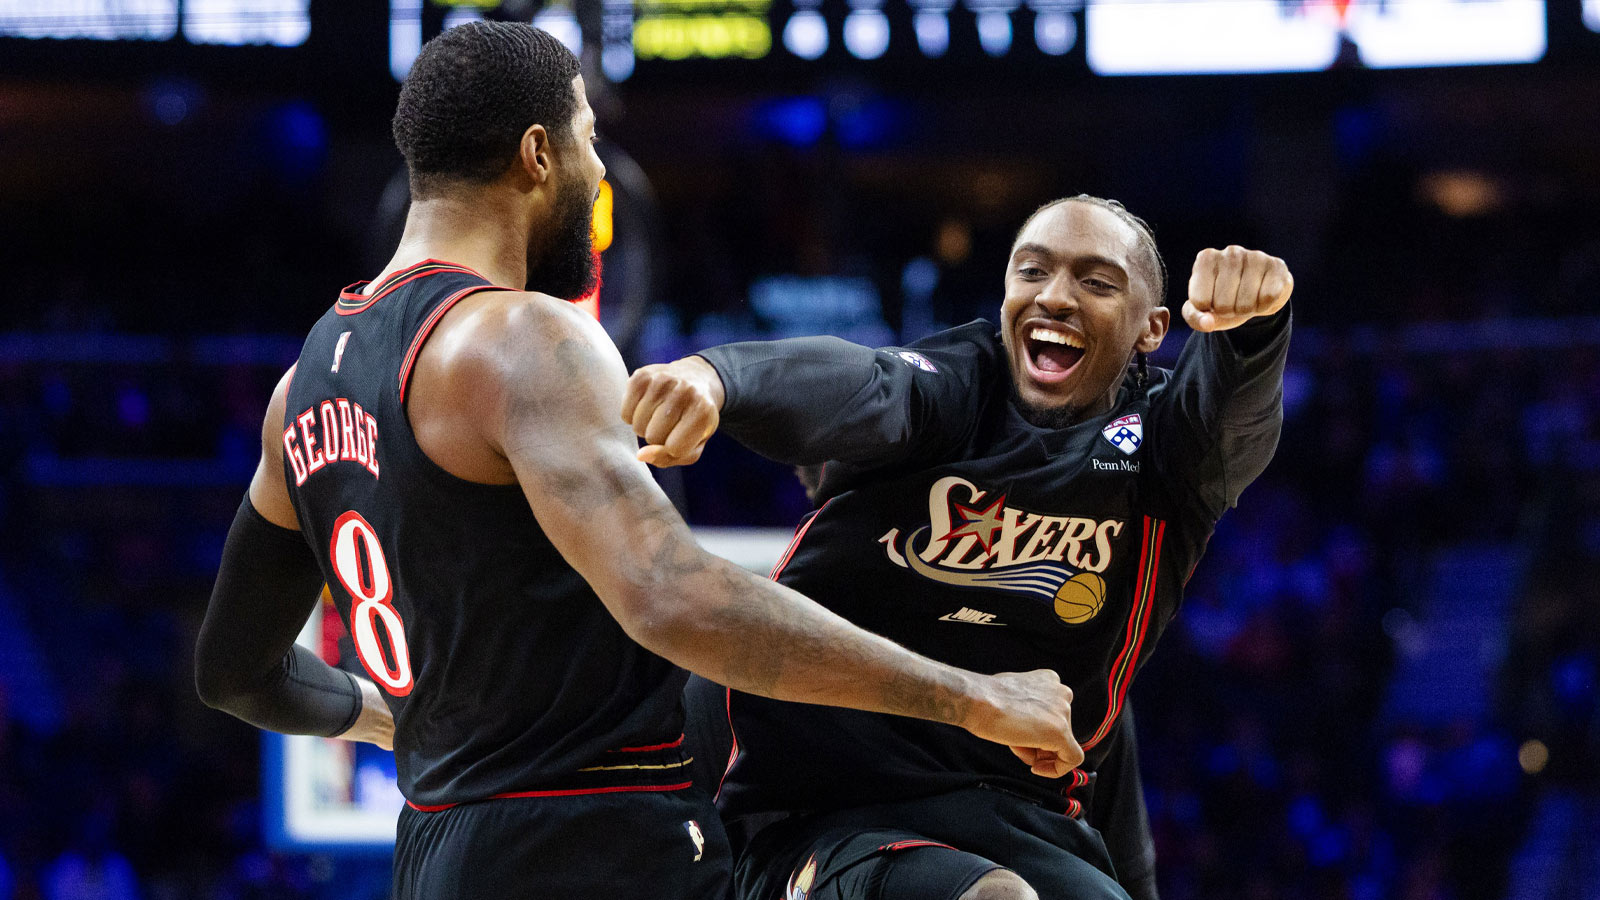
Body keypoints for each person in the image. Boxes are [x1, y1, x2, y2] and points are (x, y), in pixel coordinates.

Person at [191, 22, 1086, 900]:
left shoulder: (298, 390)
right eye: (586, 139)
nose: (593, 171)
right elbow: (672, 595)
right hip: (591, 843)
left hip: (435, 846)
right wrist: (970, 696)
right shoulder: (522, 336)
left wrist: (394, 722)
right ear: (538, 156)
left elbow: (234, 671)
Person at [624, 195, 1293, 900]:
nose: (1055, 297)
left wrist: (1255, 329)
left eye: (1096, 282)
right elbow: (864, 383)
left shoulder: (1162, 457)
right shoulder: (959, 386)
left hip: (1011, 818)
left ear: (1152, 329)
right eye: (1032, 272)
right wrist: (717, 377)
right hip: (816, 815)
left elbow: (1232, 426)